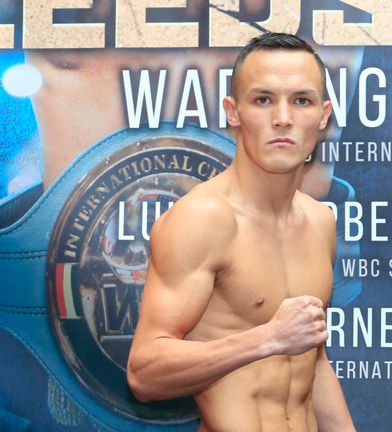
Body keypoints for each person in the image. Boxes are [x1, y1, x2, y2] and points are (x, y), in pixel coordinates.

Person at [126, 33, 355, 432]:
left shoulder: (320, 221)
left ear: (323, 116)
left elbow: (313, 363)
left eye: (301, 101)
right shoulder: (203, 218)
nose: (282, 118)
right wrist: (268, 338)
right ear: (233, 112)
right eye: (263, 100)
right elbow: (144, 375)